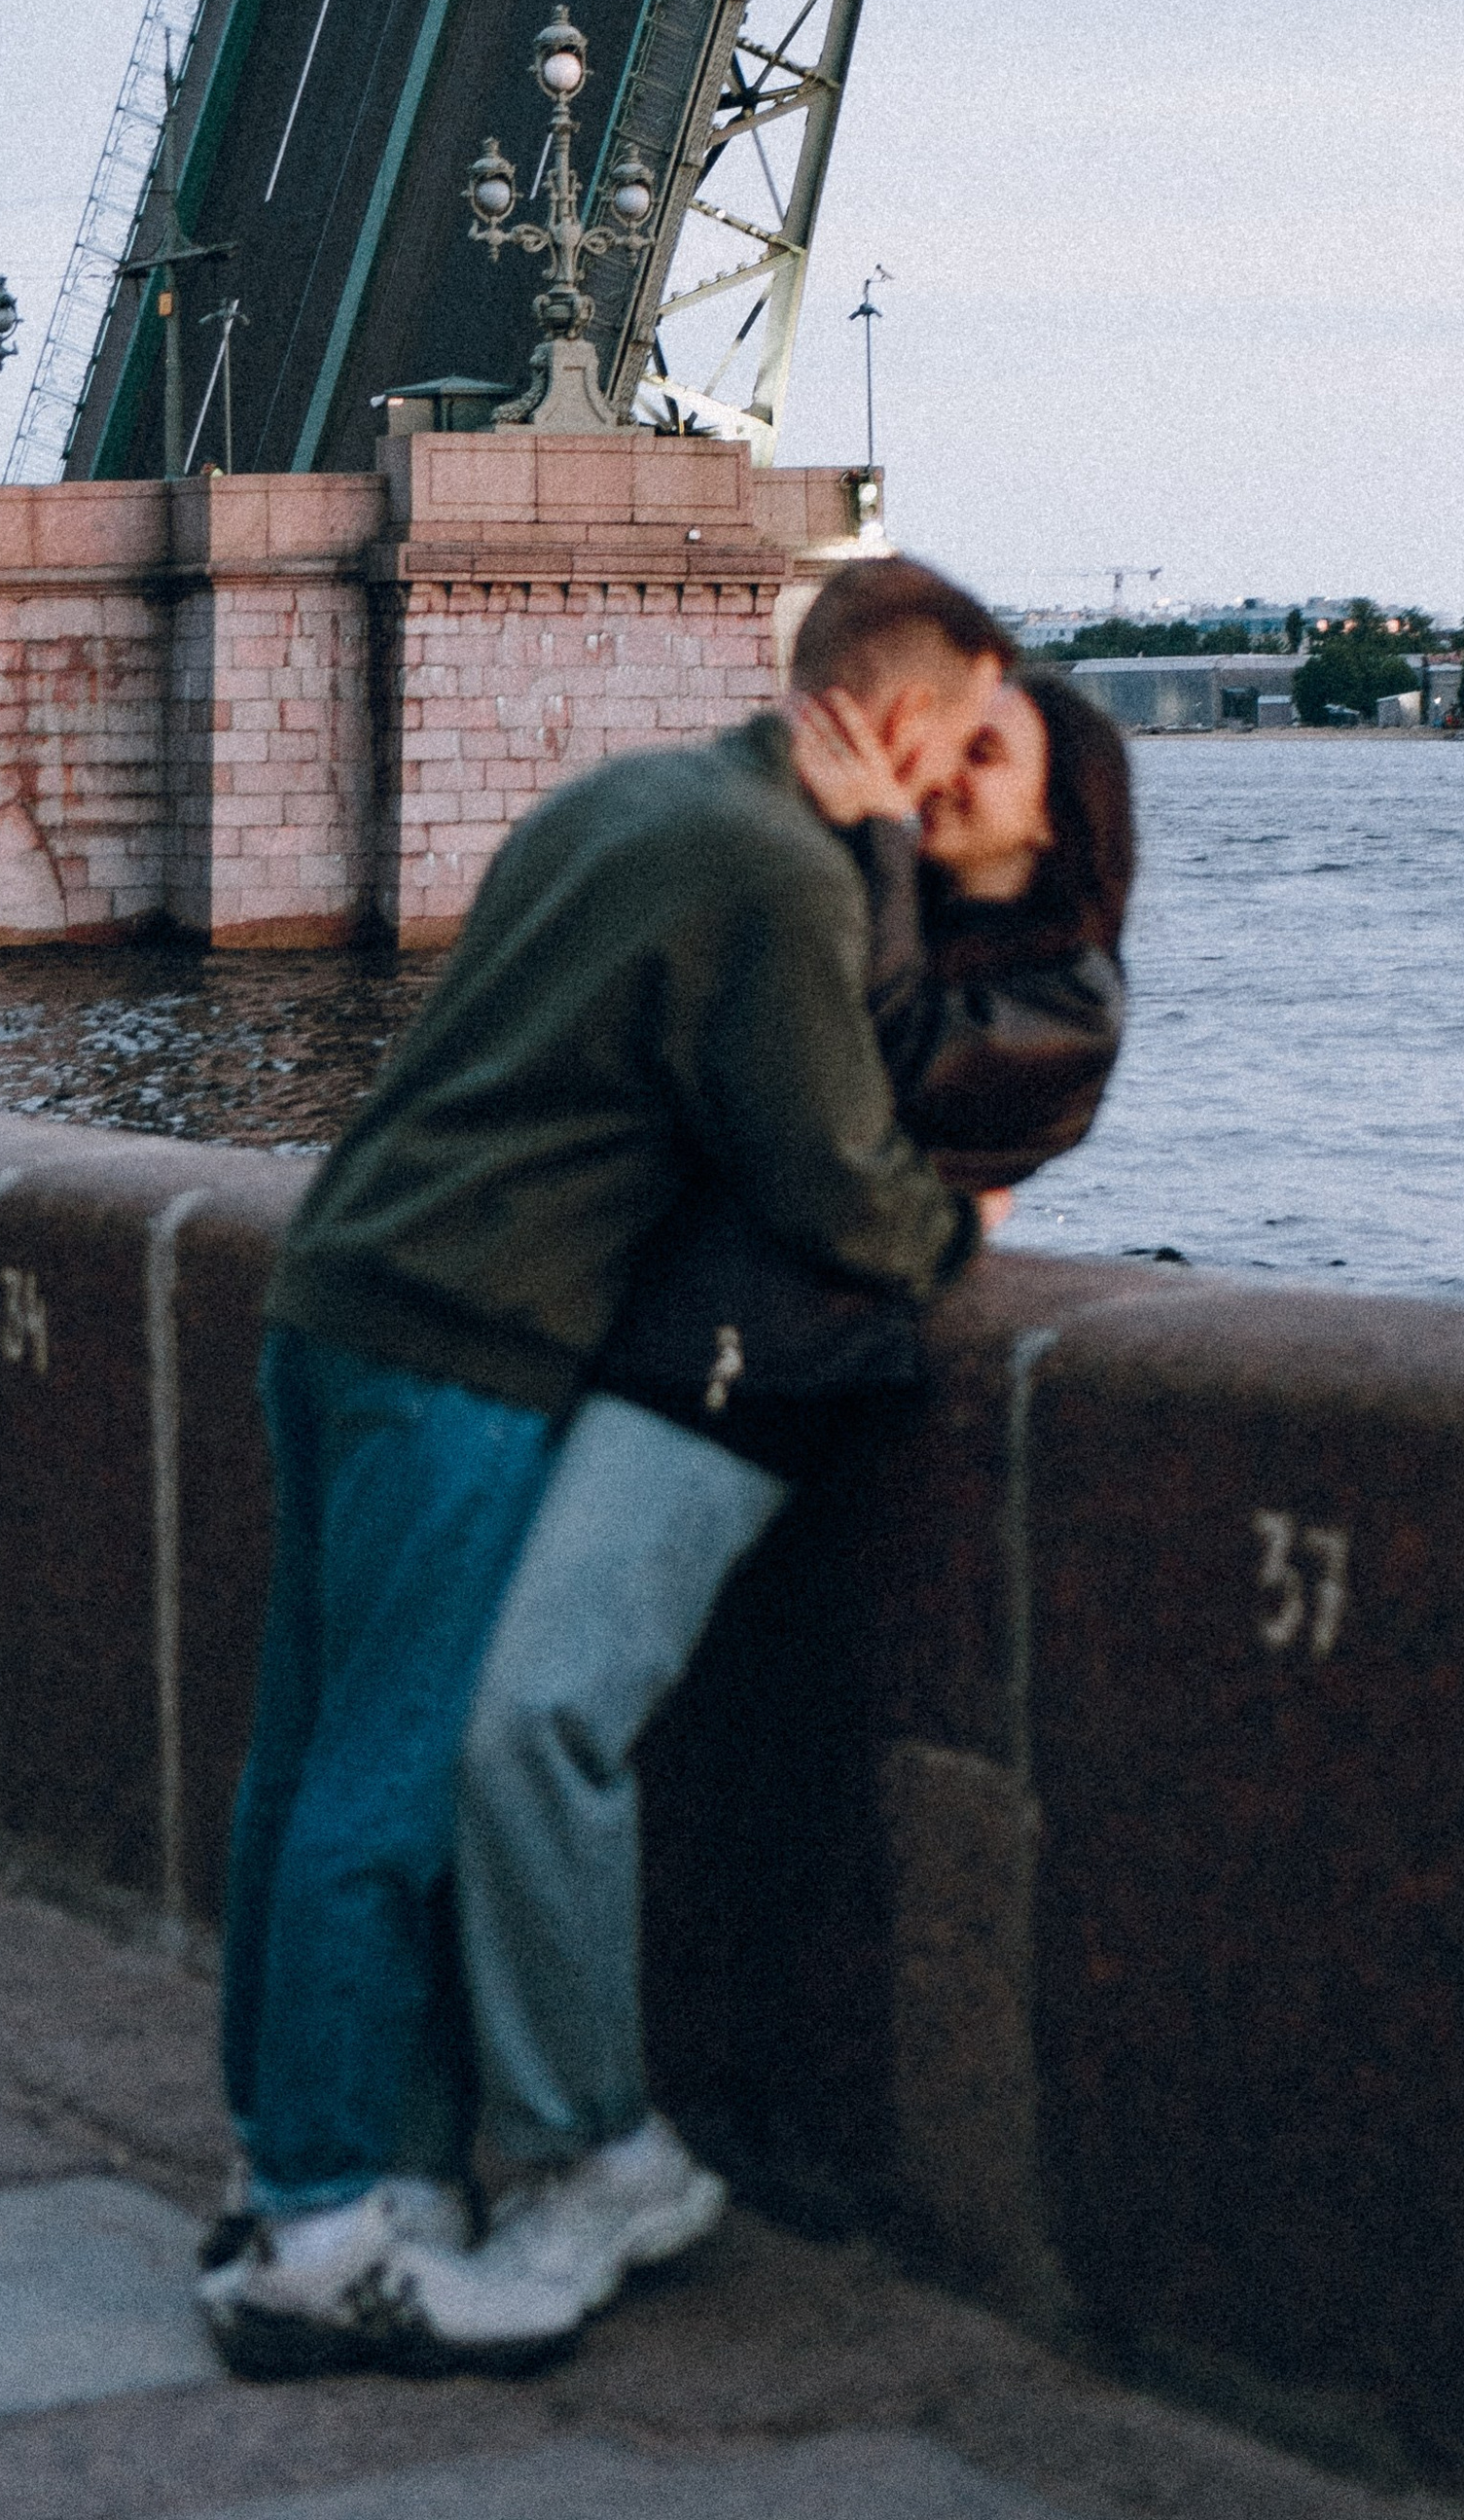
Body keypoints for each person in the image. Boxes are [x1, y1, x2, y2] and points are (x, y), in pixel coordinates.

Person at [197, 556, 1013, 2377]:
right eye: (955, 740)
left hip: (333, 1295)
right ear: (885, 716)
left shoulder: (623, 798)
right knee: (387, 1794)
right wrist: (952, 1235)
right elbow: (826, 1173)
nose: (953, 780)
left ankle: (281, 2164)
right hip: (468, 1344)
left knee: (295, 1769)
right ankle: (326, 2230)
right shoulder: (780, 871)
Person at [451, 660, 1133, 2315]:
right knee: (482, 1728)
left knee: (529, 1723)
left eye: (991, 759)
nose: (950, 776)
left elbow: (873, 1095)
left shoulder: (1062, 1000)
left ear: (1063, 815)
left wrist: (876, 846)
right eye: (939, 745)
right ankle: (509, 2141)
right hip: (642, 1348)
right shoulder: (857, 898)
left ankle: (592, 2155)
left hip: (752, 1382)